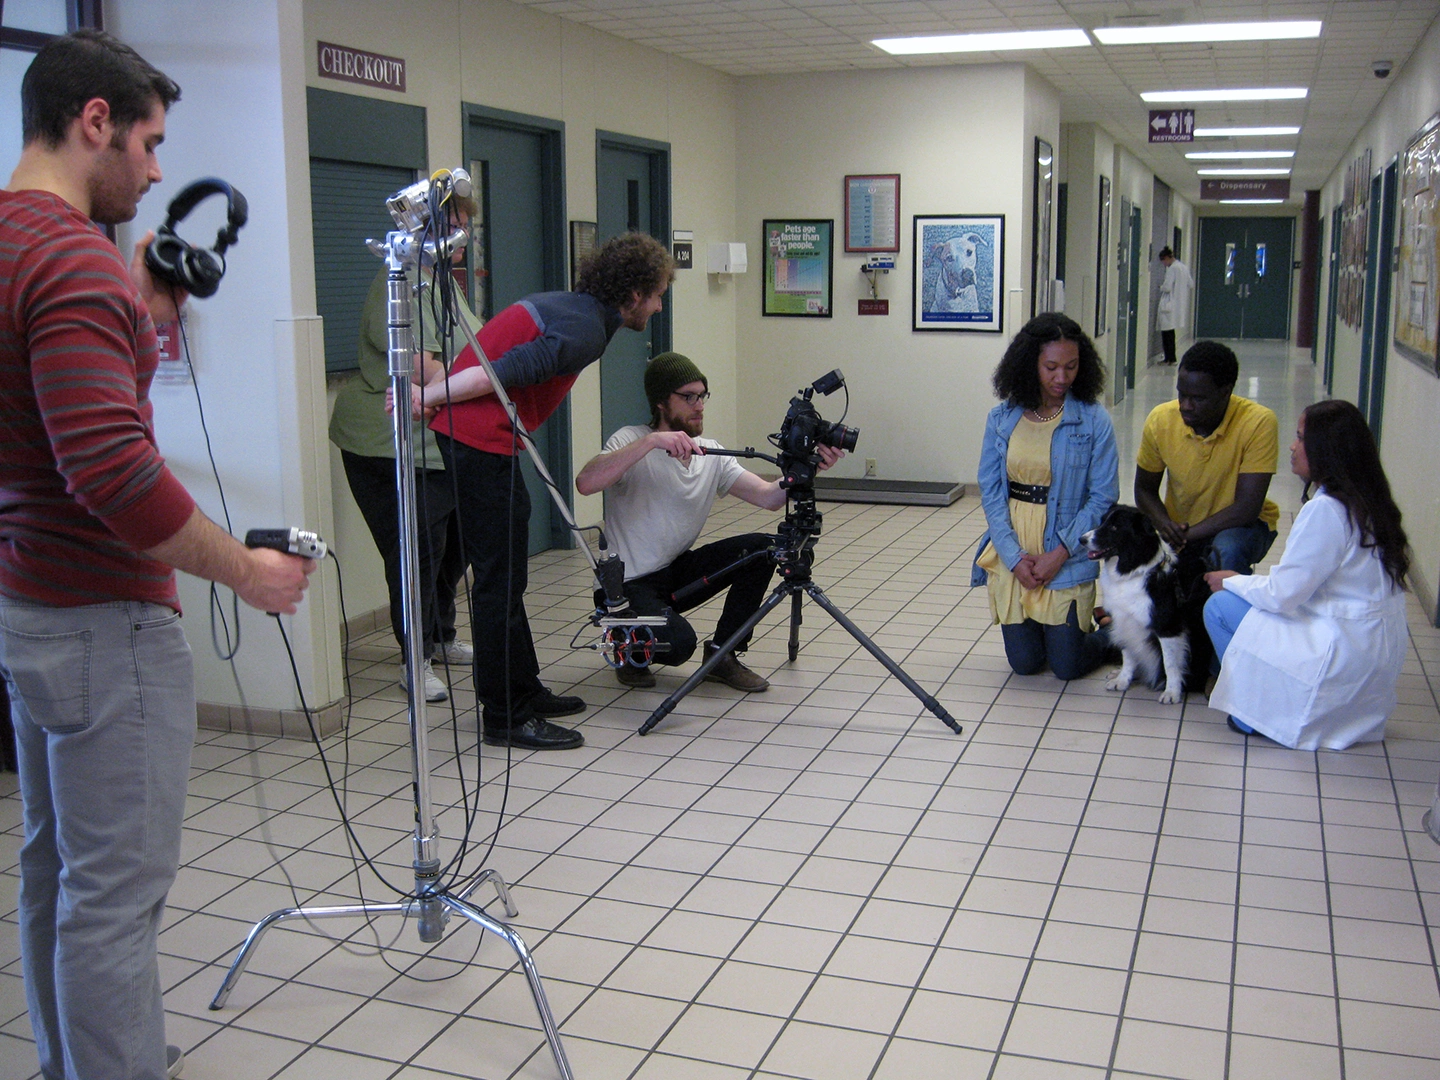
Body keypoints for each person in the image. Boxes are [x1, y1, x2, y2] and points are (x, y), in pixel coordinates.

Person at [0, 30, 315, 1080]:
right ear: (96, 122)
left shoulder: (20, 247)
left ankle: (66, 1062)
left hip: (29, 610)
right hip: (105, 628)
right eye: (149, 142)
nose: (158, 168)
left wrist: (137, 315)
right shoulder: (75, 266)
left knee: (57, 872)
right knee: (116, 901)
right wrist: (246, 571)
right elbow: (112, 476)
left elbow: (45, 436)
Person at [409, 232, 674, 750]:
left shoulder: (573, 309)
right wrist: (430, 397)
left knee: (507, 572)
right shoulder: (586, 330)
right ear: (636, 293)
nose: (660, 305)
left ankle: (524, 689)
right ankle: (506, 714)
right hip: (477, 438)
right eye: (660, 293)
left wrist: (433, 398)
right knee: (497, 580)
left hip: (483, 439)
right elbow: (502, 373)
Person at [574, 352, 842, 691]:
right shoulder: (631, 440)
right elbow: (586, 483)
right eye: (688, 397)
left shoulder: (709, 452)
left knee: (764, 550)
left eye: (702, 395)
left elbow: (769, 497)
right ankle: (627, 643)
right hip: (628, 586)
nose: (699, 405)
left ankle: (722, 655)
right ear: (660, 402)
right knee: (678, 644)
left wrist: (810, 466)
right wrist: (651, 441)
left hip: (673, 574)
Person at [329, 197, 480, 704]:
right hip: (389, 445)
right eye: (451, 227)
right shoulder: (399, 279)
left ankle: (441, 634)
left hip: (442, 440)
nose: (460, 238)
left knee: (456, 542)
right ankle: (413, 659)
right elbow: (419, 365)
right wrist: (480, 387)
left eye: (465, 228)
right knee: (415, 551)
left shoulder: (446, 286)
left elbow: (471, 347)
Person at [1203, 399, 1410, 749]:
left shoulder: (1326, 510)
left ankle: (1253, 713)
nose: (1292, 446)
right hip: (1369, 655)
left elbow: (1283, 595)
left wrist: (1231, 580)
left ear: (1326, 450)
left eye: (1300, 438)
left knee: (1220, 607)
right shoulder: (1371, 500)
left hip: (1341, 653)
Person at [972, 312, 1118, 679]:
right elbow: (990, 492)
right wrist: (1012, 555)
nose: (1062, 378)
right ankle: (1046, 629)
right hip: (1015, 546)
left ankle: (1110, 636)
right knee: (1025, 664)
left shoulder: (1093, 420)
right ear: (1029, 363)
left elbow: (1102, 497)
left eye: (1071, 367)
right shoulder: (1002, 418)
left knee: (1067, 667)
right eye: (1051, 367)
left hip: (1066, 547)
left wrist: (1060, 553)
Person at [1135, 340, 1279, 577]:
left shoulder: (1258, 422)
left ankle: (1227, 611)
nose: (1185, 406)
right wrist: (1166, 527)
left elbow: (1247, 509)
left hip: (1243, 526)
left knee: (1226, 549)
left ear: (1225, 392)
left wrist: (1186, 536)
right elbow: (1144, 489)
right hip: (1180, 526)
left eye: (1198, 399)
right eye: (1181, 394)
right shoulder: (1160, 420)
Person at [1156, 245, 1193, 365]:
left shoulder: (1172, 269)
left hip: (1169, 304)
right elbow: (1190, 284)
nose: (1164, 264)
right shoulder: (1183, 267)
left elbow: (1167, 287)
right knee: (1170, 333)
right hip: (1178, 304)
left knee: (1167, 334)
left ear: (1166, 258)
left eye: (1163, 261)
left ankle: (1170, 358)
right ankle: (1170, 357)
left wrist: (1160, 287)